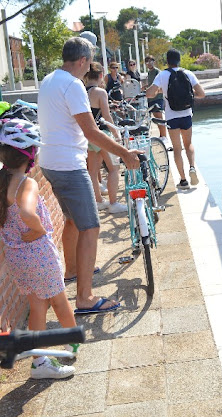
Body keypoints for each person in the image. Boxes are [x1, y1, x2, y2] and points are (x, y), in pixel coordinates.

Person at [38, 37, 141, 314]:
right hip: (69, 165)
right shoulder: (73, 85)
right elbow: (91, 132)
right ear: (83, 61)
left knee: (72, 220)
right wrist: (126, 154)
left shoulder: (49, 79)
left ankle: (72, 271)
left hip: (49, 162)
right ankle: (84, 298)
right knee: (91, 226)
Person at [0, 122, 78, 379]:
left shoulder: (2, 181)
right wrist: (39, 230)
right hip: (37, 254)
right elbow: (26, 212)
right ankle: (72, 344)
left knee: (37, 304)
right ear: (31, 155)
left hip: (16, 257)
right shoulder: (27, 183)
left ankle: (40, 361)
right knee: (59, 299)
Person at [146, 48, 205, 189]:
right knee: (188, 144)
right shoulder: (188, 73)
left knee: (177, 148)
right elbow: (202, 94)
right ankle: (192, 167)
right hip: (186, 114)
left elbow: (150, 94)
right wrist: (190, 96)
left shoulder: (163, 75)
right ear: (179, 60)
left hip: (172, 116)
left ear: (167, 61)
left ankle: (183, 180)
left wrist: (158, 91)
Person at [84, 62, 127, 214]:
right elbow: (107, 117)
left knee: (93, 171)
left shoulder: (82, 92)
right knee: (114, 169)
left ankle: (98, 201)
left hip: (88, 135)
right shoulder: (100, 92)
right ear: (101, 75)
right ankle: (114, 203)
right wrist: (116, 135)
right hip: (102, 135)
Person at [143, 55, 167, 139]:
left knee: (159, 117)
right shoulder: (149, 73)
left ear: (154, 62)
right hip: (150, 99)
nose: (149, 63)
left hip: (157, 98)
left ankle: (164, 136)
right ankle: (161, 135)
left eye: (150, 61)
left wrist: (157, 92)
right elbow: (151, 84)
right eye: (147, 62)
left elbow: (162, 84)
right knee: (154, 118)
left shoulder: (157, 72)